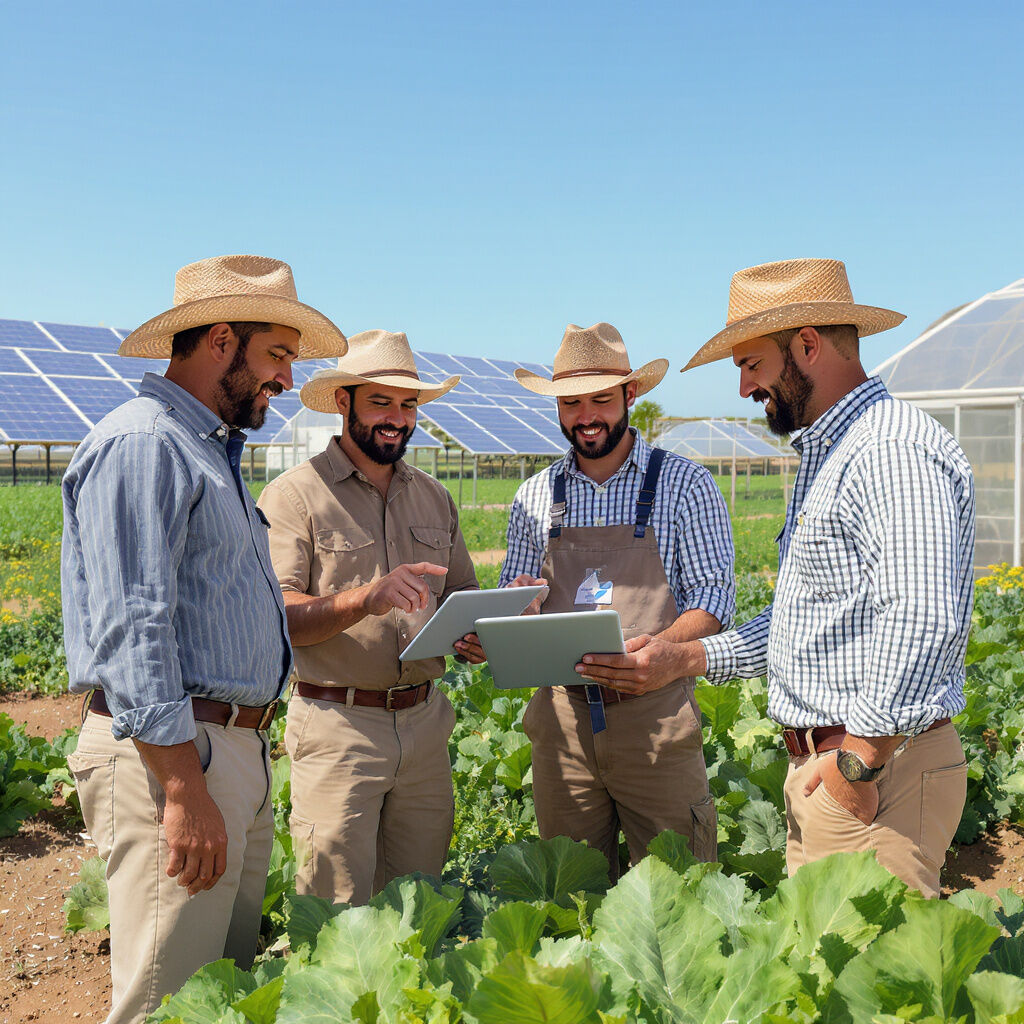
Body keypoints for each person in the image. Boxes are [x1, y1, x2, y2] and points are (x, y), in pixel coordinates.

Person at [579, 259, 974, 898]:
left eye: (751, 364)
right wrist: (688, 655)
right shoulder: (832, 453)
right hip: (831, 766)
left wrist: (858, 766)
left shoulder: (889, 449)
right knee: (825, 983)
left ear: (808, 346)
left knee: (869, 985)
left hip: (874, 771)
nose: (742, 389)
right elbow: (810, 616)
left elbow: (921, 615)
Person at [61, 254, 348, 1024]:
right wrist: (185, 790)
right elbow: (133, 627)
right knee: (168, 1002)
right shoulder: (143, 444)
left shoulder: (208, 450)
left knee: (220, 994)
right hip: (174, 757)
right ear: (222, 339)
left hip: (228, 756)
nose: (286, 380)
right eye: (278, 355)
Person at [483, 322, 734, 878]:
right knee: (573, 896)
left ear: (630, 394)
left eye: (600, 398)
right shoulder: (535, 496)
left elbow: (714, 600)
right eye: (571, 402)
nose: (586, 415)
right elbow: (513, 588)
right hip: (562, 728)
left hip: (655, 722)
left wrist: (656, 652)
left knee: (680, 893)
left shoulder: (684, 485)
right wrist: (512, 607)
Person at [257, 330, 478, 905]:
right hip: (338, 726)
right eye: (381, 402)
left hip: (426, 726)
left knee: (417, 905)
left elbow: (460, 598)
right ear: (343, 402)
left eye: (408, 406)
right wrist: (364, 599)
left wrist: (487, 625)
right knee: (335, 910)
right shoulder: (294, 497)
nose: (397, 419)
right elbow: (275, 616)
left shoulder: (434, 497)